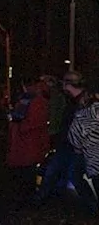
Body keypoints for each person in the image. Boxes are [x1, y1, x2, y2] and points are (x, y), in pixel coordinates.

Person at [34, 71, 88, 204]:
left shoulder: (83, 102)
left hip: (74, 144)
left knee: (72, 175)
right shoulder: (75, 100)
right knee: (57, 171)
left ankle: (91, 204)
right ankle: (42, 198)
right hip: (67, 143)